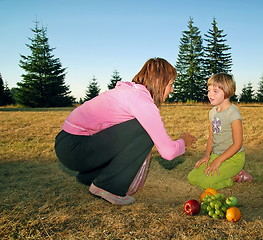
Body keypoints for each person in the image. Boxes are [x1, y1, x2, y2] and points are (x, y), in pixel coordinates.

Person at [55, 58, 196, 205]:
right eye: (171, 84)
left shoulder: (129, 92)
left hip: (68, 144)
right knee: (143, 129)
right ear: (160, 82)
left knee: (135, 129)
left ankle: (90, 176)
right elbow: (168, 152)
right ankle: (108, 187)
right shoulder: (141, 100)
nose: (172, 89)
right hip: (76, 150)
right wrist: (183, 142)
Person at [188, 73, 251, 190]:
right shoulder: (212, 112)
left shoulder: (233, 114)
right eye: (209, 90)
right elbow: (211, 137)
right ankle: (221, 168)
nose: (210, 94)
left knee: (205, 184)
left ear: (227, 91)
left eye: (215, 91)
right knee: (192, 178)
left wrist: (218, 161)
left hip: (233, 158)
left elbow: (238, 144)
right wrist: (207, 156)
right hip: (216, 155)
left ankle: (236, 176)